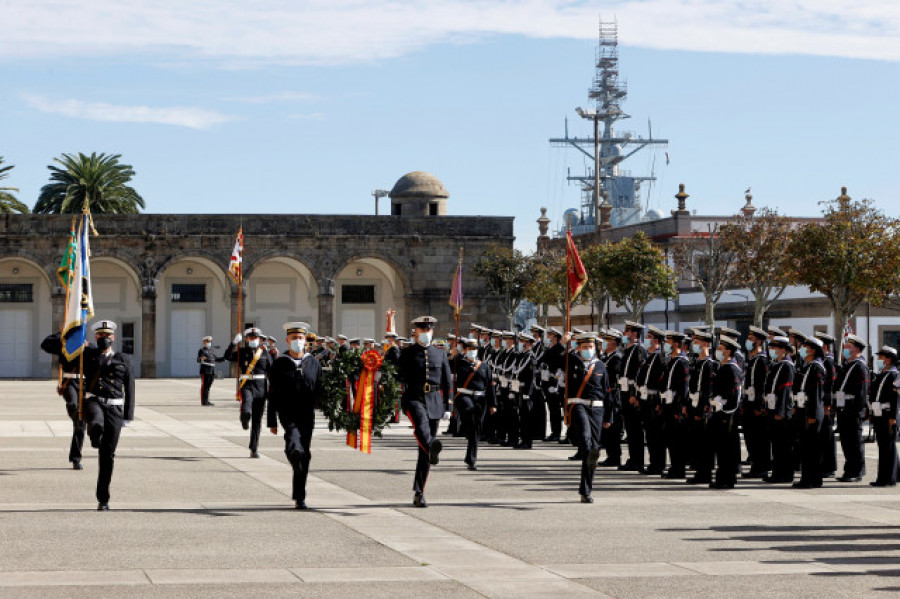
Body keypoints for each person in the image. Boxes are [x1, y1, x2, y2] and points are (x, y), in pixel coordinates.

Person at [42, 320, 135, 510]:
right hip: (94, 401)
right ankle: (94, 433)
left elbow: (130, 386)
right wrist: (68, 334)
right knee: (95, 421)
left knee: (107, 455)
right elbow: (48, 346)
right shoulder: (87, 354)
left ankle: (103, 498)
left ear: (113, 337)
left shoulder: (123, 358)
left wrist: (128, 415)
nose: (104, 338)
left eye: (107, 335)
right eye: (100, 335)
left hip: (115, 408)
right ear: (95, 337)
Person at [397, 316, 452, 507]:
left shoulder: (440, 353)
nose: (426, 333)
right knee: (422, 430)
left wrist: (448, 405)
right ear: (416, 332)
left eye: (428, 330)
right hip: (414, 398)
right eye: (422, 330)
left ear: (432, 332)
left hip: (435, 401)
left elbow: (447, 380)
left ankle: (419, 492)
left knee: (423, 452)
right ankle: (432, 447)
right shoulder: (407, 353)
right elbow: (398, 375)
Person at [267, 322, 323, 509]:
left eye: (300, 338)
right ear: (287, 340)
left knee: (305, 453)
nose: (298, 341)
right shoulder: (280, 363)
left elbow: (319, 389)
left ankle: (300, 496)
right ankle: (294, 455)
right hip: (287, 411)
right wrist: (271, 420)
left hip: (307, 413)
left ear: (305, 340)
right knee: (293, 440)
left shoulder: (313, 362)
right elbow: (272, 393)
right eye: (294, 338)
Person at [562, 332, 609, 503]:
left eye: (590, 347)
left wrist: (609, 417)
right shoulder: (571, 361)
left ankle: (586, 490)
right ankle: (583, 443)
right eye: (584, 347)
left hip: (597, 410)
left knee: (593, 451)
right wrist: (563, 344)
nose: (587, 350)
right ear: (578, 348)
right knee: (585, 438)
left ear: (595, 348)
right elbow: (548, 360)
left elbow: (607, 392)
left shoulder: (601, 366)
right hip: (578, 406)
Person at [225, 327, 273, 458]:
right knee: (247, 404)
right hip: (247, 385)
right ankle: (244, 417)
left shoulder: (264, 353)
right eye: (251, 338)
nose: (253, 340)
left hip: (261, 387)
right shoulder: (242, 351)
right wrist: (233, 343)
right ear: (246, 339)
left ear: (259, 339)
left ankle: (254, 448)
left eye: (255, 338)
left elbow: (271, 370)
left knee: (257, 420)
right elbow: (227, 356)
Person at [451, 337, 497, 470]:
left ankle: (471, 459)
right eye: (470, 349)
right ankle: (463, 426)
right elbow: (447, 367)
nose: (472, 351)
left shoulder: (484, 366)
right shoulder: (459, 362)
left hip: (480, 400)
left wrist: (493, 404)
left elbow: (490, 386)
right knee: (470, 413)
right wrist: (452, 355)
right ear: (465, 350)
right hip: (464, 397)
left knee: (475, 431)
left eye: (475, 349)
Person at [39, 339, 85, 469]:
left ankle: (76, 459)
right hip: (69, 383)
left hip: (84, 383)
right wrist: (62, 336)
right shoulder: (64, 346)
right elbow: (45, 345)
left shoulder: (87, 347)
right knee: (73, 405)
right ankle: (77, 416)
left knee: (80, 425)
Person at [709, 336, 743, 489]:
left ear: (728, 351)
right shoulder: (723, 367)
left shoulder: (731, 369)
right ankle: (723, 477)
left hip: (726, 415)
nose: (718, 351)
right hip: (720, 412)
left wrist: (725, 411)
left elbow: (735, 396)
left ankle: (727, 479)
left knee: (726, 448)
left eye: (721, 348)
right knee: (721, 448)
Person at [834, 334, 869, 482]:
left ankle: (856, 471)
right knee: (846, 442)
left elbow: (861, 392)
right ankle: (849, 470)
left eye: (848, 347)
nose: (845, 349)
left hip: (853, 409)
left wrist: (858, 411)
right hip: (844, 408)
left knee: (854, 442)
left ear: (856, 349)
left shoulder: (860, 366)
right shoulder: (849, 365)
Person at [793, 337, 826, 489]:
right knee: (806, 447)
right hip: (804, 410)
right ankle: (809, 478)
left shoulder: (816, 368)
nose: (802, 349)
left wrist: (812, 415)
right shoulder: (808, 366)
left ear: (813, 350)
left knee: (811, 448)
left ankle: (812, 479)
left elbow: (815, 394)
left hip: (811, 412)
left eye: (805, 347)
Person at [763, 336, 796, 484]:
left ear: (783, 350)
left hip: (781, 412)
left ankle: (785, 474)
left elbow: (786, 391)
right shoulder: (777, 365)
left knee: (783, 445)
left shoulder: (787, 366)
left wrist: (780, 412)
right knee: (776, 445)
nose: (771, 351)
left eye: (774, 348)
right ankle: (778, 472)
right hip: (772, 408)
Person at [635, 325, 667, 475]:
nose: (646, 340)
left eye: (649, 337)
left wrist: (660, 403)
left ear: (656, 341)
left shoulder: (660, 358)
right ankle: (653, 463)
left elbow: (662, 382)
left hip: (655, 401)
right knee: (650, 434)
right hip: (646, 399)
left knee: (656, 435)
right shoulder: (650, 357)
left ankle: (658, 464)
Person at [686, 329, 716, 484]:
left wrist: (702, 410)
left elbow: (708, 390)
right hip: (694, 406)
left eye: (697, 342)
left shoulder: (708, 365)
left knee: (704, 444)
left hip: (702, 410)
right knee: (697, 443)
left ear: (705, 344)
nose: (694, 345)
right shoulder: (699, 363)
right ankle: (700, 471)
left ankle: (704, 473)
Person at [618, 321, 648, 471]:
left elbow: (638, 375)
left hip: (632, 395)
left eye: (627, 331)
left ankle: (638, 460)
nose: (624, 334)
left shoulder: (639, 350)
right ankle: (632, 458)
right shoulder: (628, 350)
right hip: (624, 393)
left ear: (635, 334)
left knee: (635, 429)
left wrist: (634, 394)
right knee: (630, 428)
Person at [661, 331, 690, 479]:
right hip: (667, 404)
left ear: (676, 344)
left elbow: (684, 387)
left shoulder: (682, 361)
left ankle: (679, 469)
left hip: (676, 406)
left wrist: (680, 406)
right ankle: (674, 466)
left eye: (669, 341)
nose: (666, 344)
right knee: (670, 439)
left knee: (677, 439)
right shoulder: (670, 360)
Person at [742, 326, 770, 478]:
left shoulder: (762, 360)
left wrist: (760, 405)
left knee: (759, 439)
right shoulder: (752, 360)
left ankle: (762, 467)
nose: (748, 342)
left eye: (751, 339)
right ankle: (756, 466)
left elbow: (763, 385)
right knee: (750, 438)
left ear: (759, 341)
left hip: (757, 405)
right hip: (748, 403)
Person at [869, 346, 899, 487]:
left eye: (881, 357)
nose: (879, 360)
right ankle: (883, 477)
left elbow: (895, 398)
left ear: (889, 359)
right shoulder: (881, 374)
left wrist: (893, 416)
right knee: (883, 447)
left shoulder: (894, 375)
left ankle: (889, 478)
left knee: (888, 446)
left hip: (888, 414)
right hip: (878, 414)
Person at [814, 331, 838, 477]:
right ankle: (824, 464)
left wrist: (828, 404)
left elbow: (831, 385)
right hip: (822, 403)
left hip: (826, 405)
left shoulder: (828, 362)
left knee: (827, 436)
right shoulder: (823, 361)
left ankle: (829, 467)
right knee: (822, 436)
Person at [599, 329, 624, 467]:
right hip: (604, 395)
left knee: (613, 428)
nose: (604, 342)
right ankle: (610, 455)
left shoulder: (616, 358)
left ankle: (615, 457)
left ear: (613, 343)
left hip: (613, 396)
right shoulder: (605, 357)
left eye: (607, 340)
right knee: (607, 429)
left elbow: (615, 379)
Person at [197, 335, 224, 406]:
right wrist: (201, 359)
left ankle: (207, 400)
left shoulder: (211, 351)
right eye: (207, 341)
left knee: (208, 386)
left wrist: (224, 358)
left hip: (211, 370)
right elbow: (198, 359)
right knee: (205, 386)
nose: (209, 343)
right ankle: (204, 401)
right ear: (204, 342)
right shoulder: (202, 350)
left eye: (210, 341)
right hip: (205, 370)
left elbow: (216, 359)